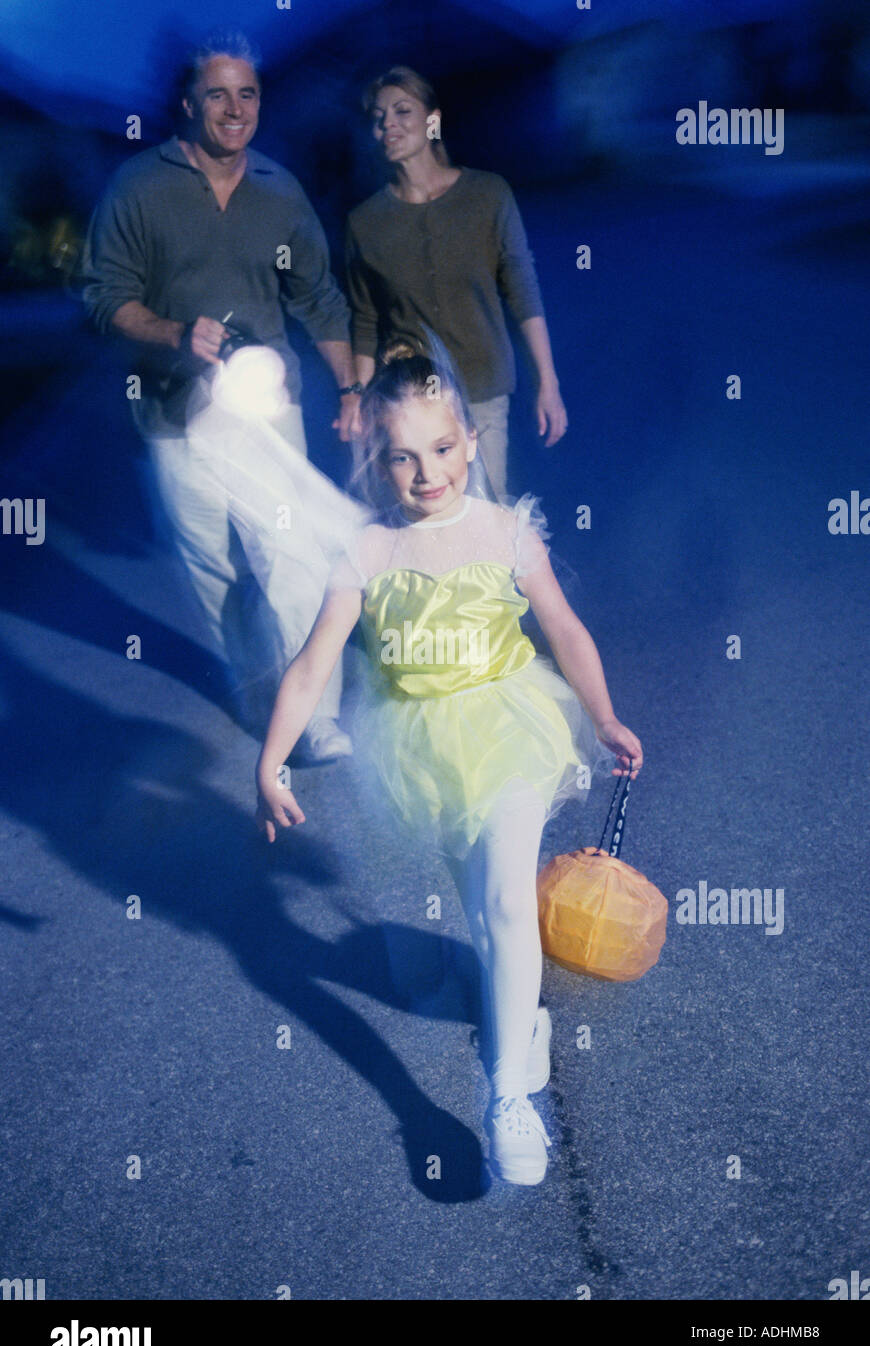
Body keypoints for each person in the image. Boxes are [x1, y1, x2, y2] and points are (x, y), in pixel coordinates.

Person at [254, 343, 643, 1186]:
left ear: (469, 439)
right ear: (379, 462)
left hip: (509, 727)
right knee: (480, 909)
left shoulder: (504, 530)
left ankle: (506, 1097)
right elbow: (313, 664)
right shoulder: (365, 553)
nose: (426, 473)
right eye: (402, 456)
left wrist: (605, 714)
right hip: (423, 751)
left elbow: (565, 629)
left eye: (440, 449)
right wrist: (272, 761)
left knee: (507, 895)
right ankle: (525, 1019)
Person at [81, 29, 364, 756]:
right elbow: (103, 300)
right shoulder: (138, 187)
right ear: (188, 102)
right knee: (220, 572)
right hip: (173, 416)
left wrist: (352, 388)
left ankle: (314, 715)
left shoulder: (280, 190)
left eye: (248, 94)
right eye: (218, 94)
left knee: (292, 555)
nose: (235, 109)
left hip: (267, 409)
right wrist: (177, 333)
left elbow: (320, 300)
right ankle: (259, 686)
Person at [344, 66, 568, 501]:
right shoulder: (364, 222)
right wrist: (359, 400)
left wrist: (548, 380)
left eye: (402, 110)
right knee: (423, 514)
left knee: (486, 510)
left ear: (432, 120)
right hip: (407, 394)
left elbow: (522, 290)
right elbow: (366, 320)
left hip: (482, 386)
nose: (388, 123)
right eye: (379, 116)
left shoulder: (487, 194)